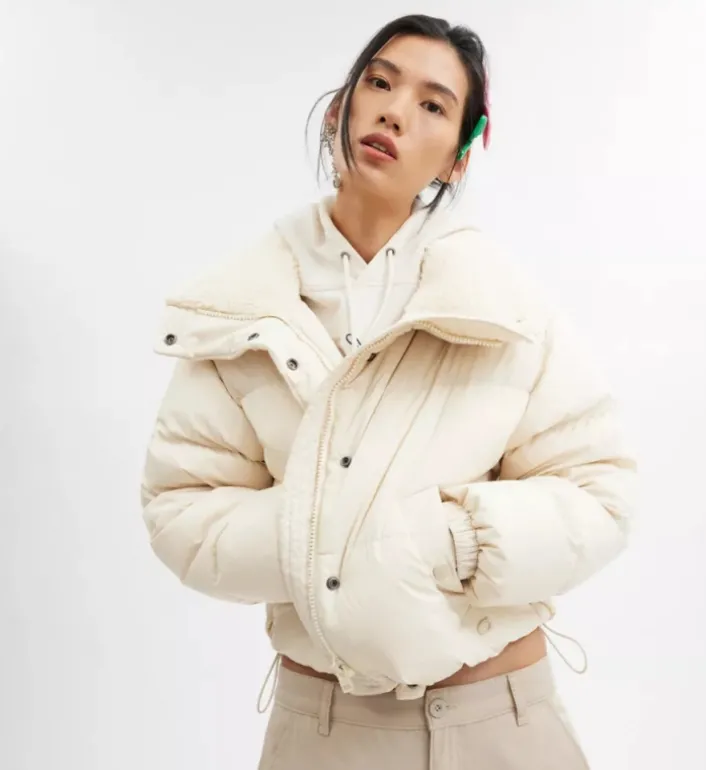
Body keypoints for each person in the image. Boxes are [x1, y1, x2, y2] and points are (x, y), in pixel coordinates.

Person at [140, 13, 636, 770]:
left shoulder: (502, 307)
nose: (395, 112)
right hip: (324, 732)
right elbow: (182, 510)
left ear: (457, 161)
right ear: (338, 109)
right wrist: (330, 536)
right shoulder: (242, 310)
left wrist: (450, 542)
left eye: (433, 104)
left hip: (500, 720)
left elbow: (600, 494)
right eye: (379, 83)